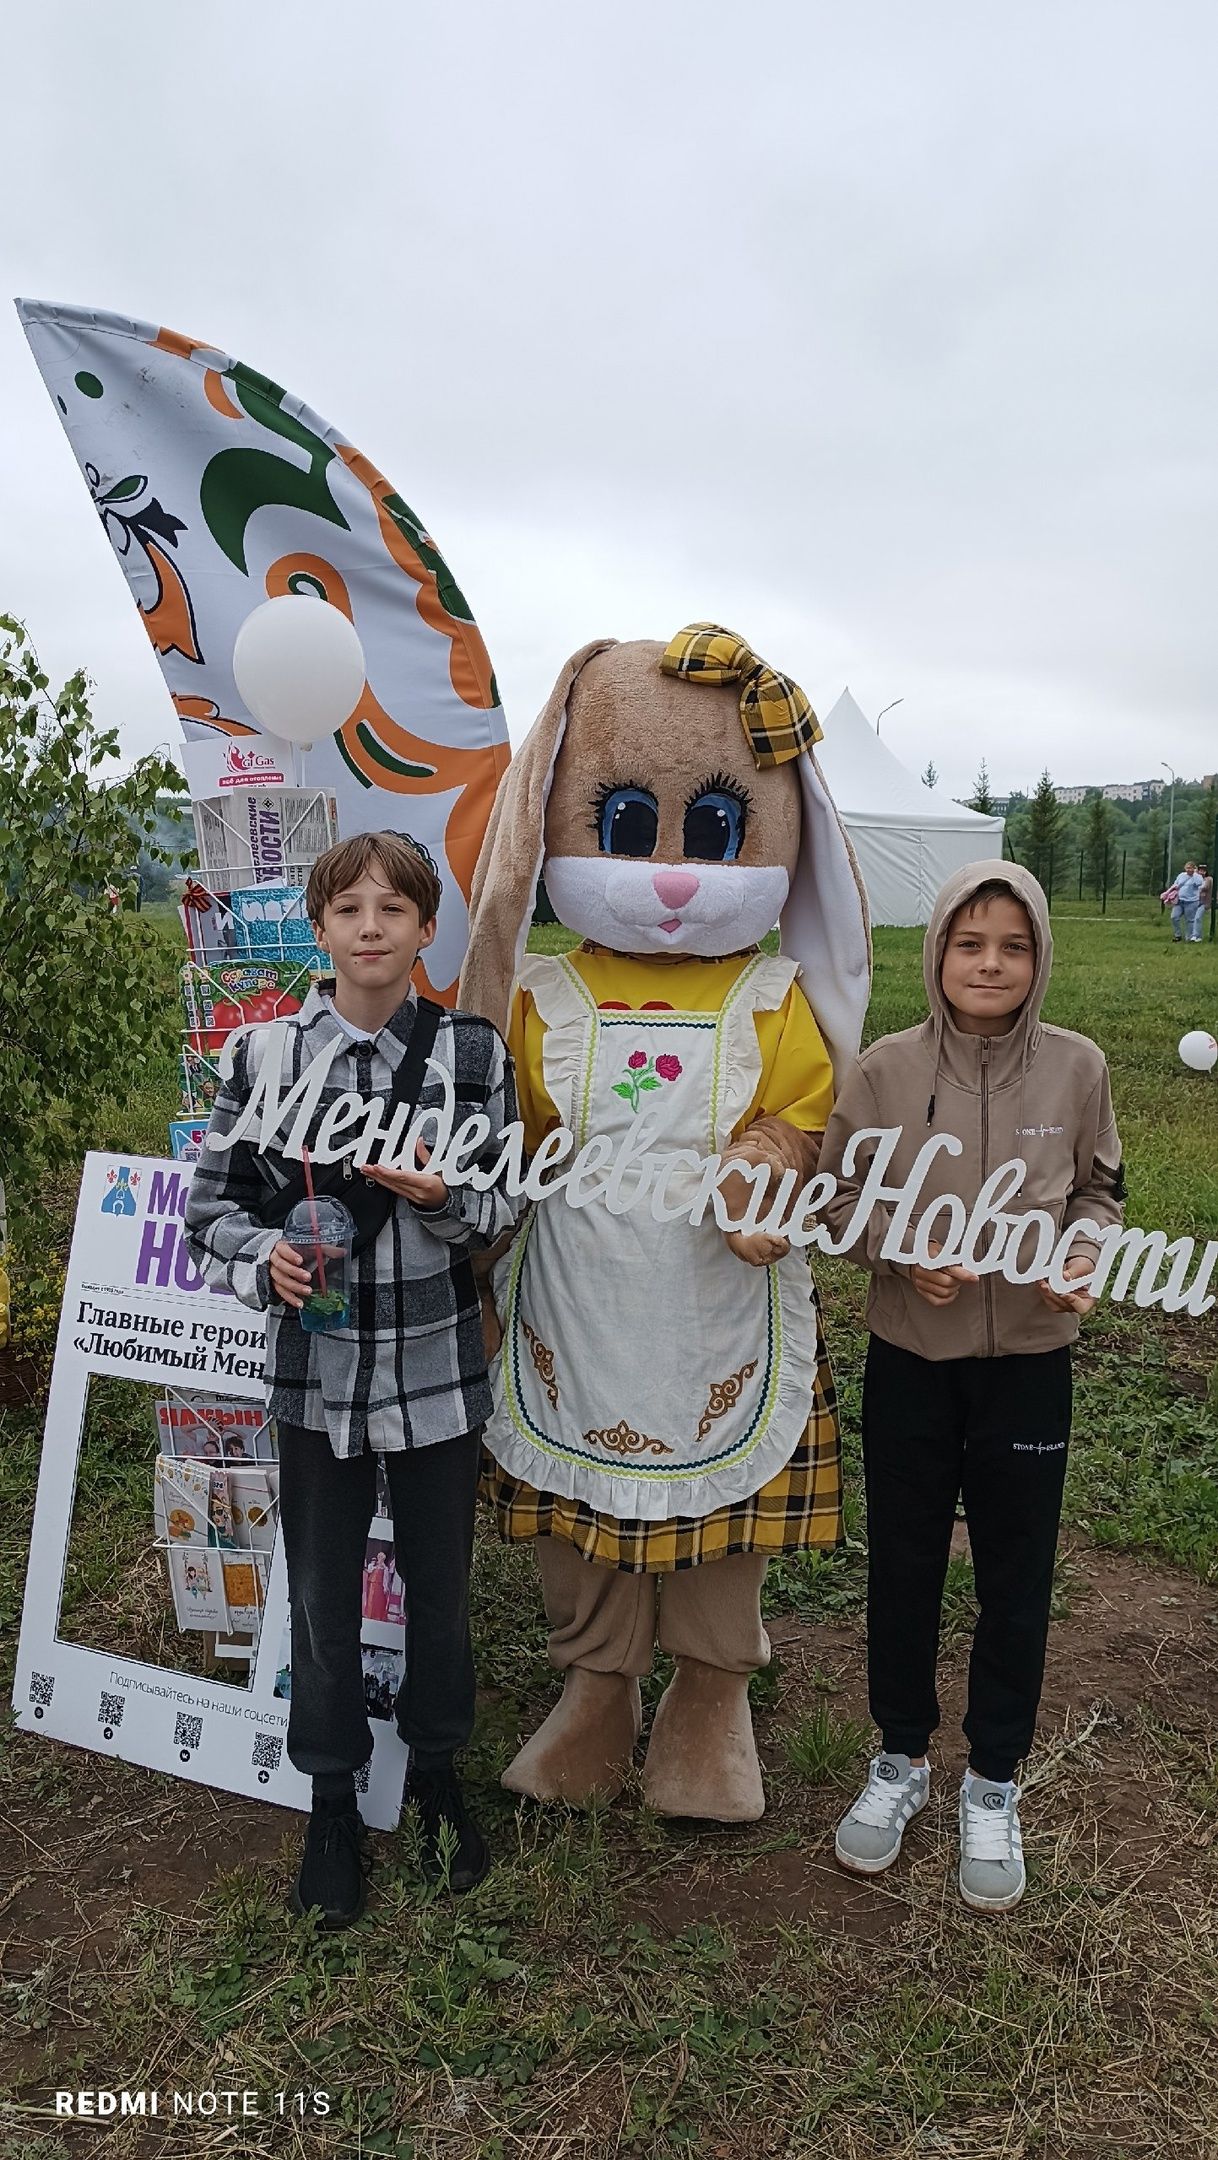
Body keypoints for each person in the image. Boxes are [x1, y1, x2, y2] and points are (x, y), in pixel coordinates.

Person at [184, 831, 520, 1928]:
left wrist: (438, 1199)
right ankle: (330, 1795)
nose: (371, 928)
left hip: (435, 1375)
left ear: (428, 931)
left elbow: (506, 1209)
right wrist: (259, 1259)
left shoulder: (472, 1055)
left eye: (394, 910)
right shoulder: (264, 1058)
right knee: (325, 1598)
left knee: (441, 1590)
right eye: (348, 910)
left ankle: (435, 1777)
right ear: (319, 929)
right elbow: (211, 1206)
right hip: (313, 1379)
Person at [818, 864, 1124, 1912]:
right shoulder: (881, 1071)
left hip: (1030, 1369)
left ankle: (993, 1780)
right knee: (902, 1566)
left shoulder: (1079, 1069)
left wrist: (1084, 1254)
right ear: (937, 953)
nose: (990, 964)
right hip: (912, 1362)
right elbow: (835, 1200)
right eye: (969, 943)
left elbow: (1100, 1190)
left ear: (1038, 958)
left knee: (1016, 1577)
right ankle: (900, 1759)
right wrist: (899, 1253)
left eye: (1014, 946)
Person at [1170, 860, 1203, 941]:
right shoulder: (1181, 875)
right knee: (1174, 917)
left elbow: (1199, 884)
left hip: (1191, 901)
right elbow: (1176, 884)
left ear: (1194, 869)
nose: (1189, 870)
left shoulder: (1197, 876)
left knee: (1190, 920)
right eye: (1187, 868)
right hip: (1180, 901)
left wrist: (1195, 874)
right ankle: (1177, 935)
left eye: (1190, 868)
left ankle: (1189, 937)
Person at [1191, 864, 1212, 941]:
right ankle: (1198, 936)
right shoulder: (1196, 878)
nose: (1201, 872)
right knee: (1196, 918)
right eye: (1200, 870)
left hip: (1206, 902)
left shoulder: (1208, 879)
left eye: (1203, 870)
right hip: (1197, 902)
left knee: (1198, 918)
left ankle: (1196, 935)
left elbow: (1205, 887)